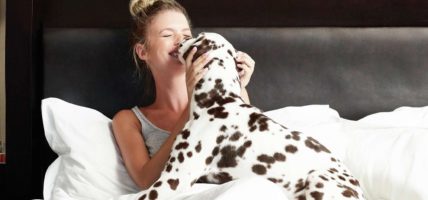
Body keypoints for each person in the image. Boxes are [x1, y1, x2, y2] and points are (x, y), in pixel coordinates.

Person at [112, 0, 255, 190]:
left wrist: (238, 87)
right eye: (168, 34)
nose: (181, 41)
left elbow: (251, 153)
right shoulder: (129, 120)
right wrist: (193, 106)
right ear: (143, 51)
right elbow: (146, 180)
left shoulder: (222, 100)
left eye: (187, 35)